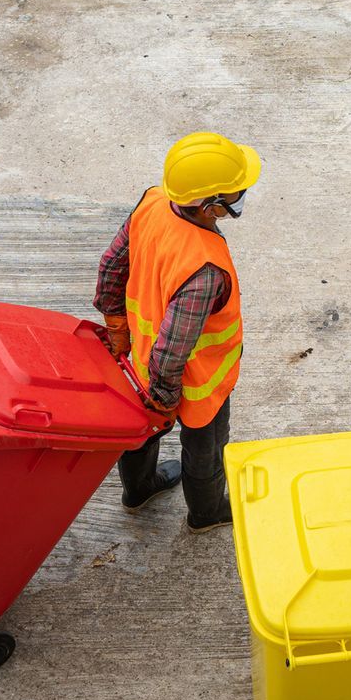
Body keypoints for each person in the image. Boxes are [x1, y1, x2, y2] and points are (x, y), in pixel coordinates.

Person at [93, 131, 260, 532]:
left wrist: (116, 323)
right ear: (210, 206)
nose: (239, 199)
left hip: (138, 356)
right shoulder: (205, 269)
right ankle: (206, 513)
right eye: (234, 195)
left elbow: (112, 265)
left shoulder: (152, 201)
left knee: (142, 430)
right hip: (196, 380)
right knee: (206, 448)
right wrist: (165, 396)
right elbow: (174, 345)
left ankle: (139, 490)